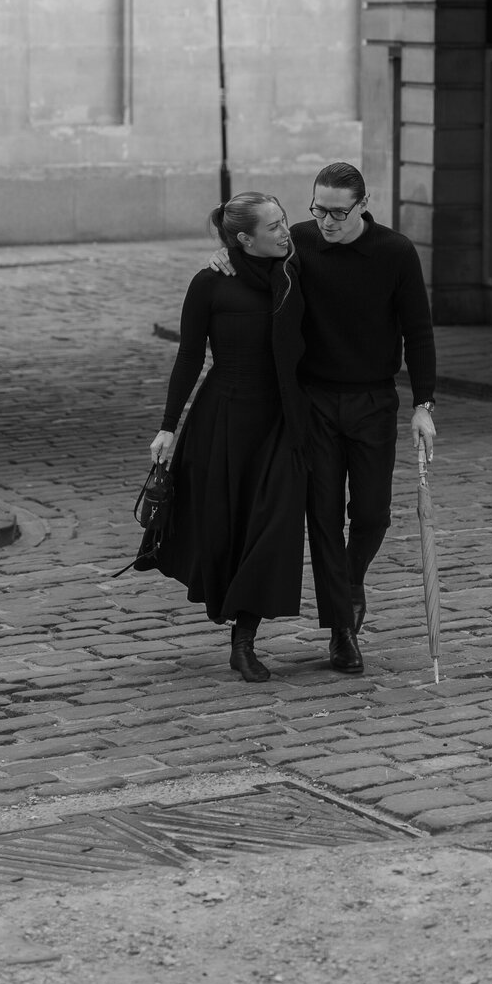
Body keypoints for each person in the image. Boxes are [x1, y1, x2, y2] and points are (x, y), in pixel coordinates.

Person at [212, 162, 437, 676]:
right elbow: (253, 262)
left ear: (363, 204)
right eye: (319, 209)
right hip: (314, 401)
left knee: (374, 514)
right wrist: (222, 256)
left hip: (374, 401)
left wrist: (425, 403)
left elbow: (418, 332)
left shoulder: (395, 252)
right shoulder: (299, 243)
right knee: (324, 517)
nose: (327, 221)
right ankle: (343, 632)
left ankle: (347, 588)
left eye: (339, 211)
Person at [137, 193, 309, 684]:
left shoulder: (297, 272)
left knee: (273, 527)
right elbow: (189, 356)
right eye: (273, 226)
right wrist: (168, 426)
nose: (285, 232)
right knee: (229, 526)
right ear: (242, 238)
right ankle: (241, 639)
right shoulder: (211, 283)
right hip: (226, 419)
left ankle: (245, 636)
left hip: (283, 422)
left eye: (283, 221)